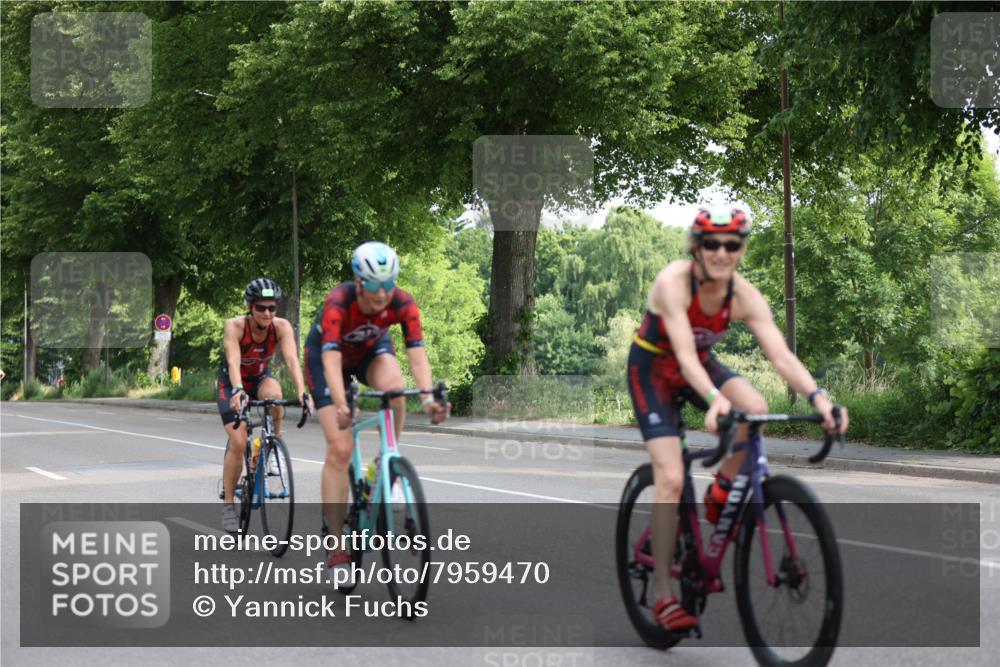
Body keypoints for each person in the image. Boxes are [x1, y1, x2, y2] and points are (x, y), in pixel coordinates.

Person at [627, 208, 849, 632]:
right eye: (712, 244)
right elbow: (684, 357)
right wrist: (714, 400)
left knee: (755, 407)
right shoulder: (673, 282)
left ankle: (722, 490)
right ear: (697, 247)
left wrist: (820, 400)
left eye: (732, 245)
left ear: (742, 249)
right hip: (652, 371)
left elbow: (781, 356)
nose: (721, 253)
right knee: (671, 477)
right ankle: (663, 596)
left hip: (700, 364)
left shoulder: (744, 295)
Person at [304, 241, 447, 571]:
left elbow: (417, 355)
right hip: (328, 359)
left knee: (396, 389)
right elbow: (331, 359)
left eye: (388, 283)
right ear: (358, 282)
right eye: (372, 285)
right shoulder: (339, 300)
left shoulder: (403, 301)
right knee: (340, 449)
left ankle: (387, 462)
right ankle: (336, 546)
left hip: (370, 350)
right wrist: (341, 403)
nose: (381, 293)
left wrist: (428, 399)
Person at [218, 278, 313, 533]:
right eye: (261, 308)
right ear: (249, 307)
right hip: (231, 383)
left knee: (275, 395)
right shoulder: (235, 326)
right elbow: (233, 361)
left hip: (260, 378)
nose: (267, 313)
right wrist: (238, 390)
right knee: (239, 443)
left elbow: (292, 360)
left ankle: (273, 447)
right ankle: (228, 507)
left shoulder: (281, 327)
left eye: (272, 308)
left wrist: (302, 392)